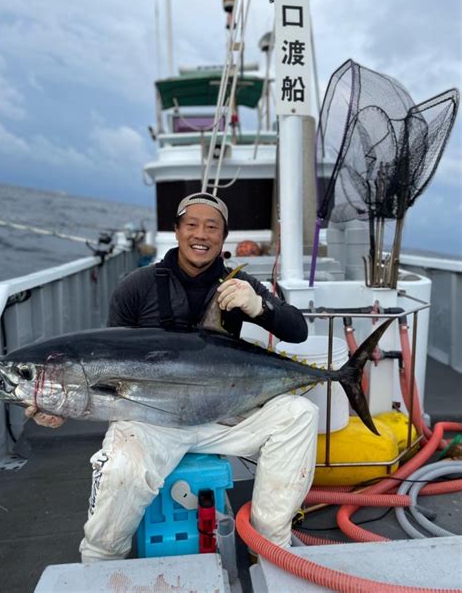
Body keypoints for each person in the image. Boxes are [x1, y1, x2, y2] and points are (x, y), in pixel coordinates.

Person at [25, 192, 318, 563]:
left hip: (223, 413)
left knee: (300, 414)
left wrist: (260, 306)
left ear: (223, 237)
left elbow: (298, 331)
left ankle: (270, 547)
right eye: (192, 224)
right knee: (122, 469)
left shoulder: (237, 286)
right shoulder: (136, 287)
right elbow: (104, 368)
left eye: (212, 227)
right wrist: (59, 406)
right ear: (177, 231)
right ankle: (100, 561)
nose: (201, 234)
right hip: (150, 420)